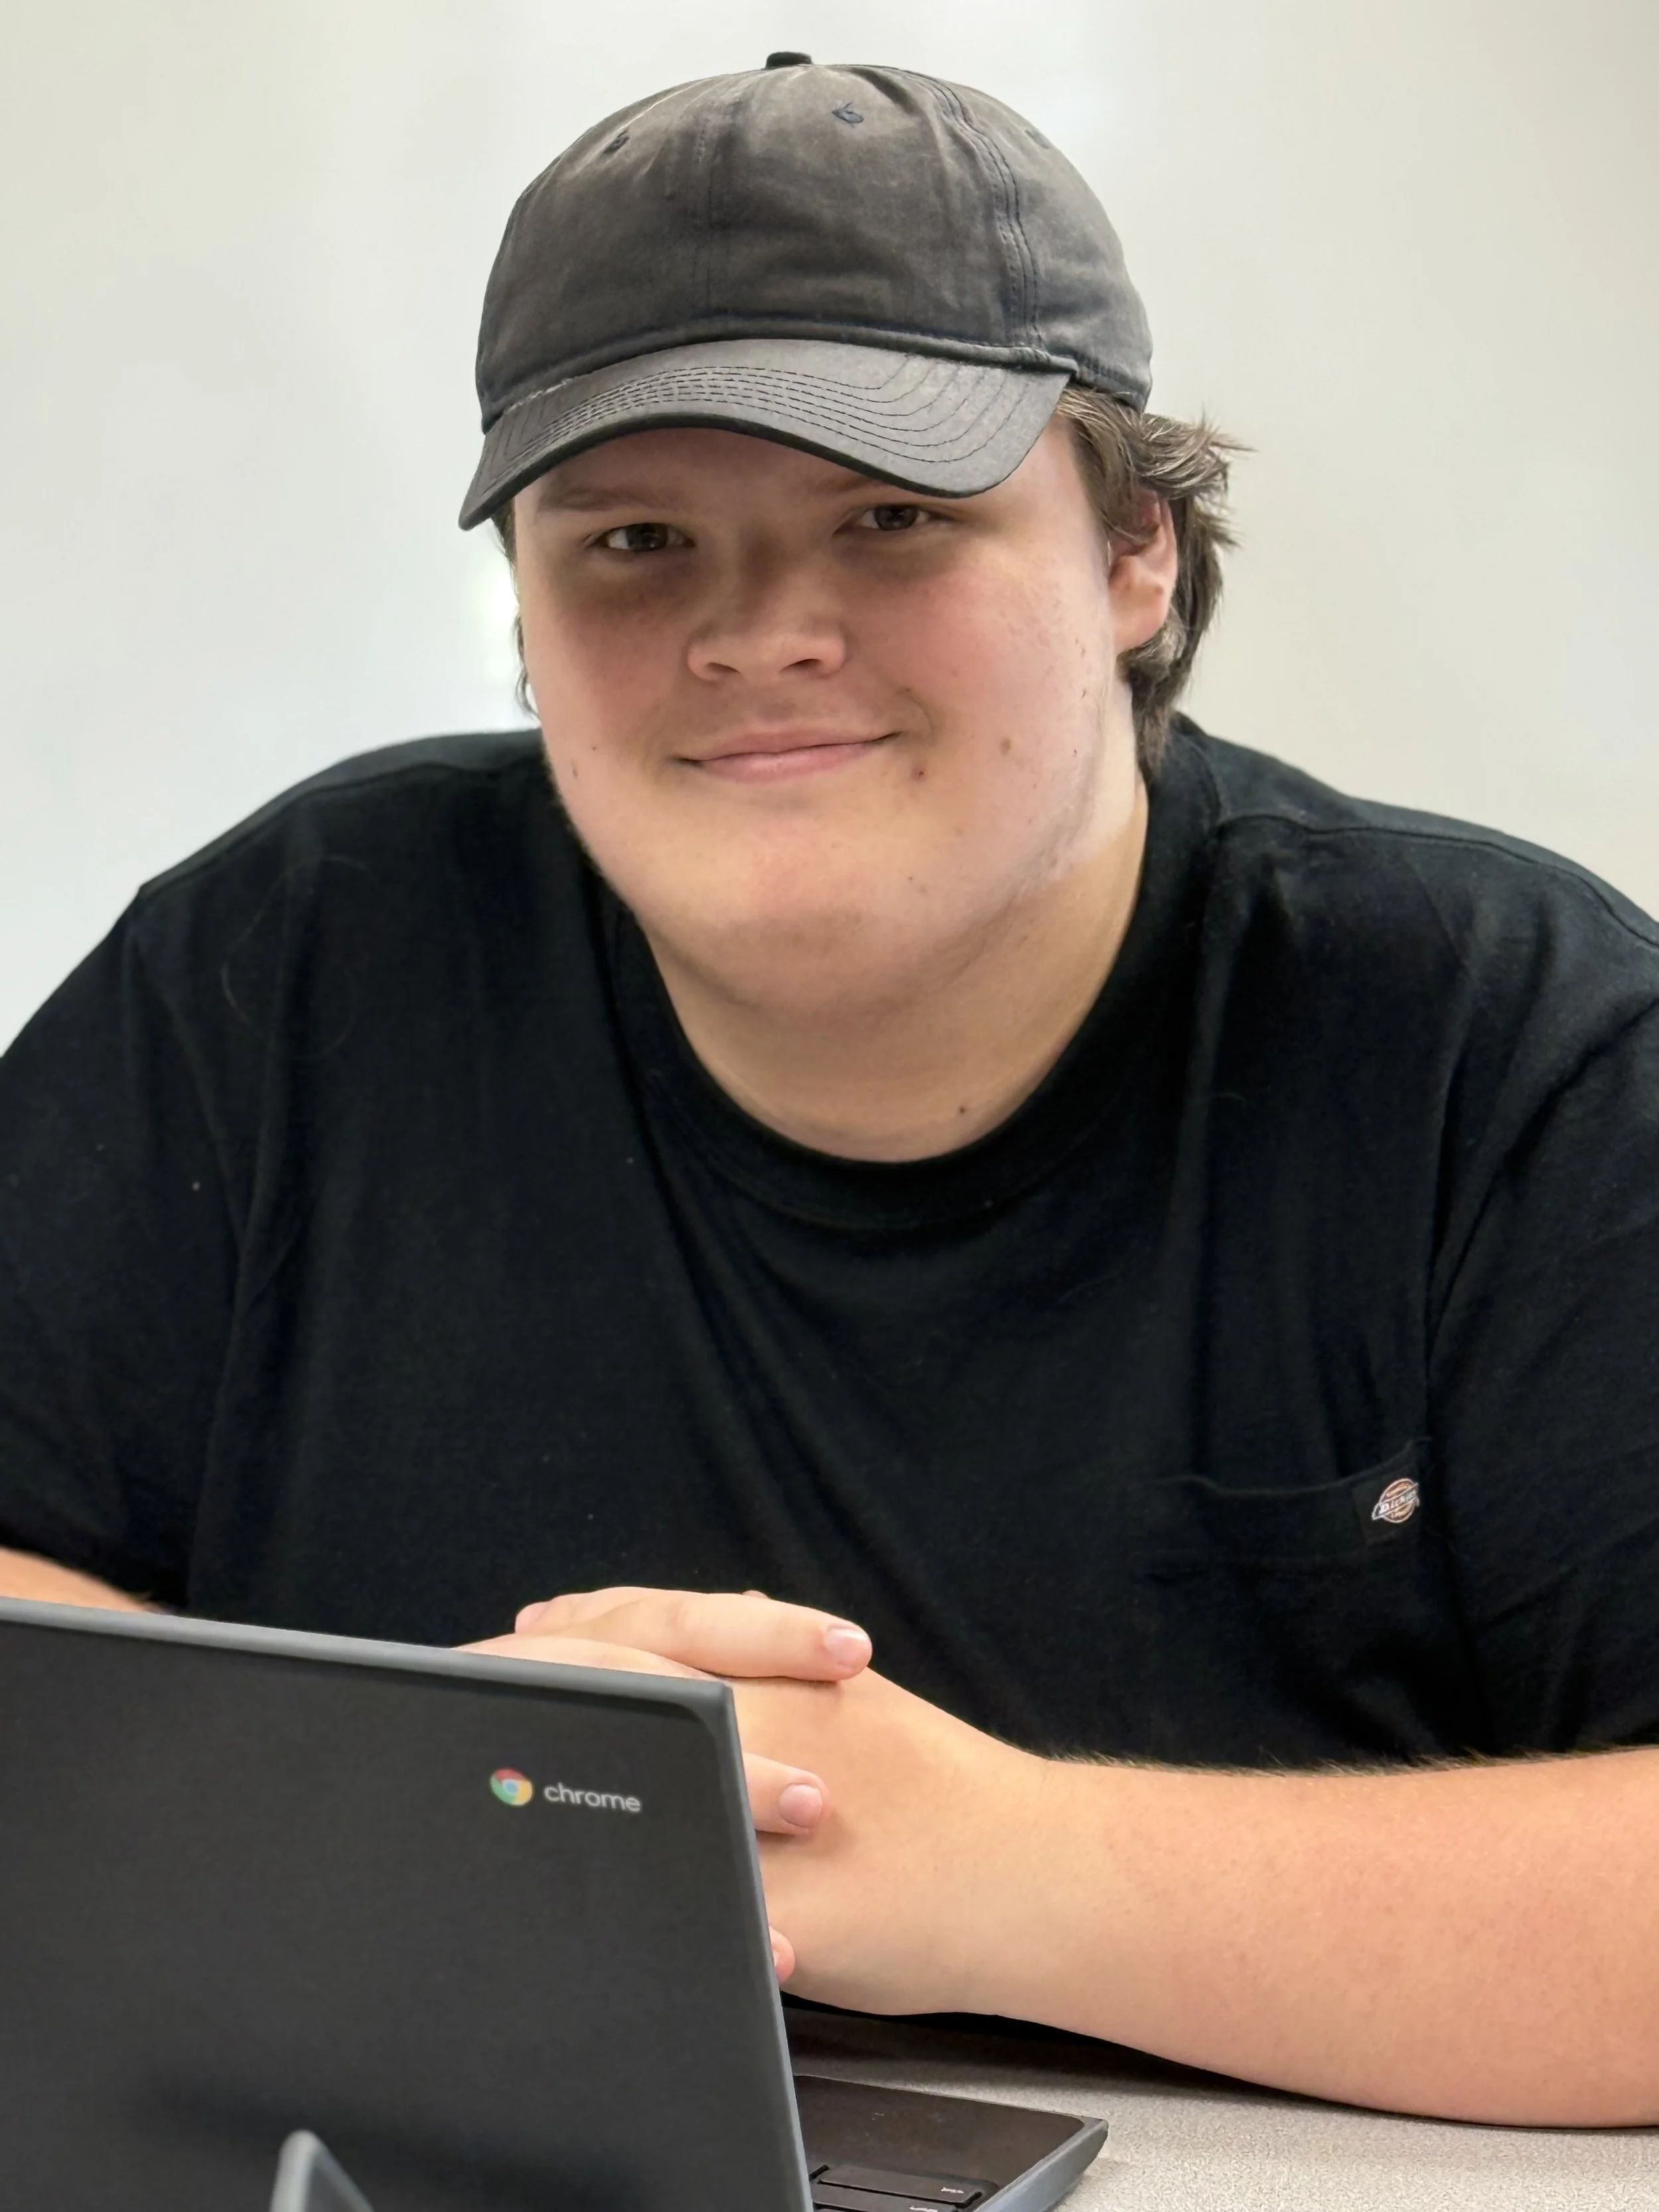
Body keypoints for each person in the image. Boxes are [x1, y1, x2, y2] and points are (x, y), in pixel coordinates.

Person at [3, 54, 1659, 2128]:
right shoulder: (298, 959)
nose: (757, 632)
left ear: (1133, 551)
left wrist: (993, 1868)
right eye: (634, 539)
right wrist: (399, 1806)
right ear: (521, 602)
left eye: (892, 518)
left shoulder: (1505, 1047)